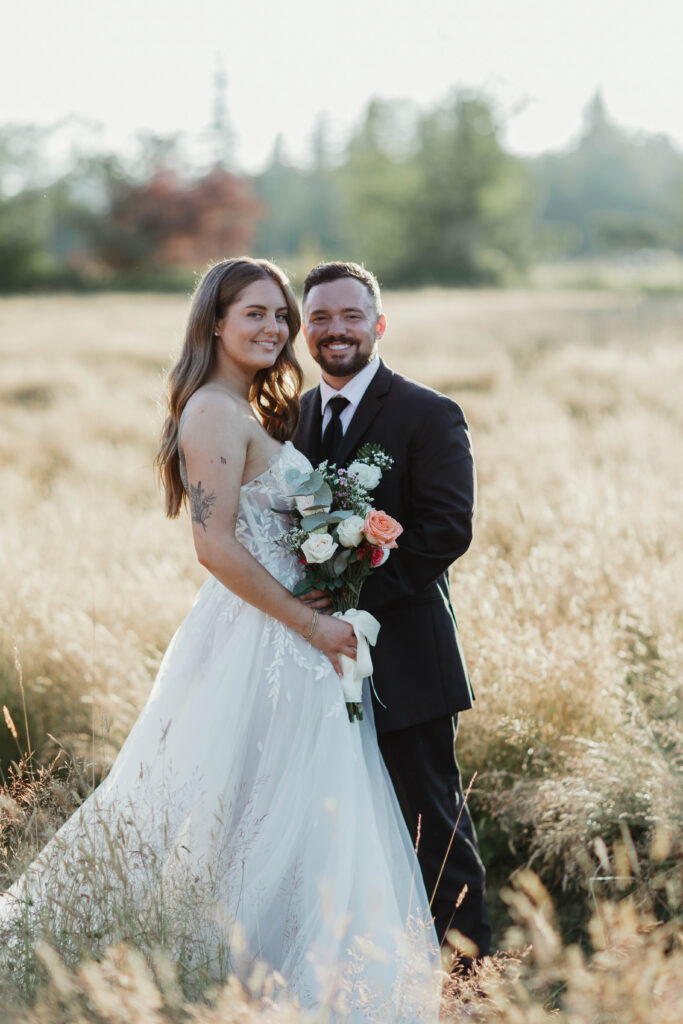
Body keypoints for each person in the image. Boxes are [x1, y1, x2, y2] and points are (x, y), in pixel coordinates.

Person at [0, 258, 439, 1019]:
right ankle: (186, 968)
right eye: (255, 315)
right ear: (214, 324)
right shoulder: (211, 411)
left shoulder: (247, 409)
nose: (274, 328)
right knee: (224, 801)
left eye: (279, 317)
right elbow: (213, 547)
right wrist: (312, 622)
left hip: (288, 636)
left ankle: (262, 974)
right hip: (264, 640)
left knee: (275, 804)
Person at [294, 261, 491, 963]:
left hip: (404, 653)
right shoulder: (295, 415)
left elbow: (447, 528)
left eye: (350, 316)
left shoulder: (425, 412)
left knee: (428, 817)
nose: (335, 330)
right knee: (338, 815)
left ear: (377, 325)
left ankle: (469, 975)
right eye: (319, 318)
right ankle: (372, 963)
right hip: (316, 655)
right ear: (304, 330)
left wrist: (352, 598)